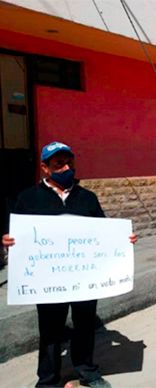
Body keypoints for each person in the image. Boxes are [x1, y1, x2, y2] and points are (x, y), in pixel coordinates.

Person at [1, 141, 137, 388]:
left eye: (69, 163)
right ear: (45, 168)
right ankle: (48, 380)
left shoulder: (87, 198)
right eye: (58, 164)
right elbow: (14, 234)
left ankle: (88, 371)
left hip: (84, 280)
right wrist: (8, 240)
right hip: (48, 282)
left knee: (85, 325)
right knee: (51, 330)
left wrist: (122, 239)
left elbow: (103, 231)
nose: (66, 168)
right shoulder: (28, 199)